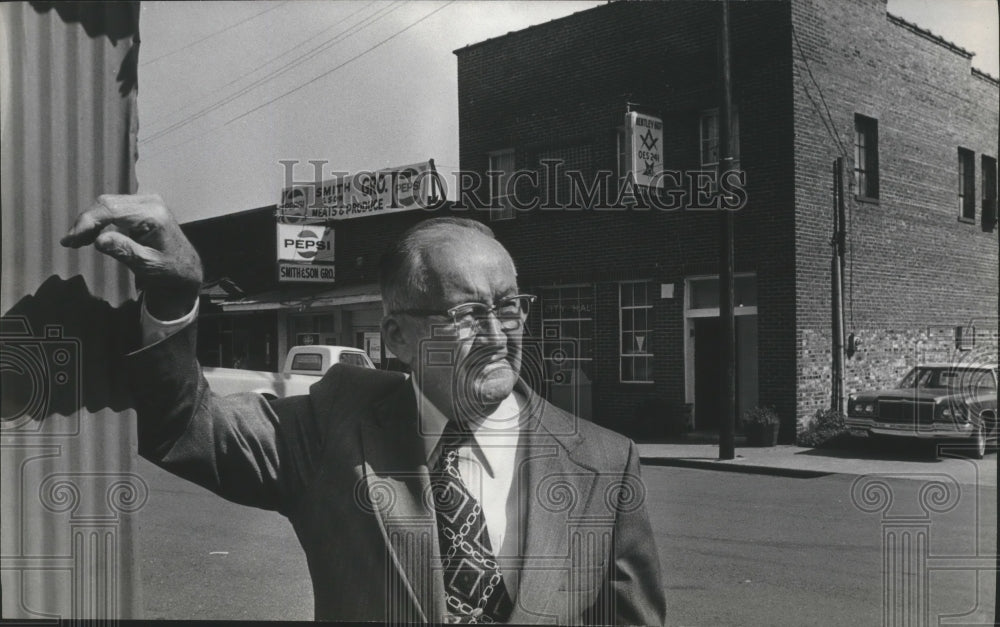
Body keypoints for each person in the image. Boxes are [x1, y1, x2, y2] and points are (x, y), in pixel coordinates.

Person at [61, 194, 667, 625]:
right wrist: (175, 294)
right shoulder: (334, 426)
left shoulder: (604, 464)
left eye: (508, 307)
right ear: (397, 338)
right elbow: (189, 425)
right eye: (464, 314)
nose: (496, 333)